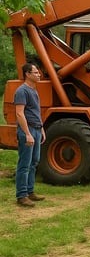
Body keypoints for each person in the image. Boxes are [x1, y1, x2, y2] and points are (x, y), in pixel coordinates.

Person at [14, 62, 46, 207]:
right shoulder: (22, 91)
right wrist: (27, 134)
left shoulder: (34, 90)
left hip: (36, 129)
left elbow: (35, 112)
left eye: (38, 73)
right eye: (36, 72)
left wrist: (41, 129)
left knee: (34, 162)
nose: (39, 75)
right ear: (27, 74)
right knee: (24, 164)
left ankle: (30, 191)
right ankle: (21, 195)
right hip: (27, 131)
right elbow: (20, 114)